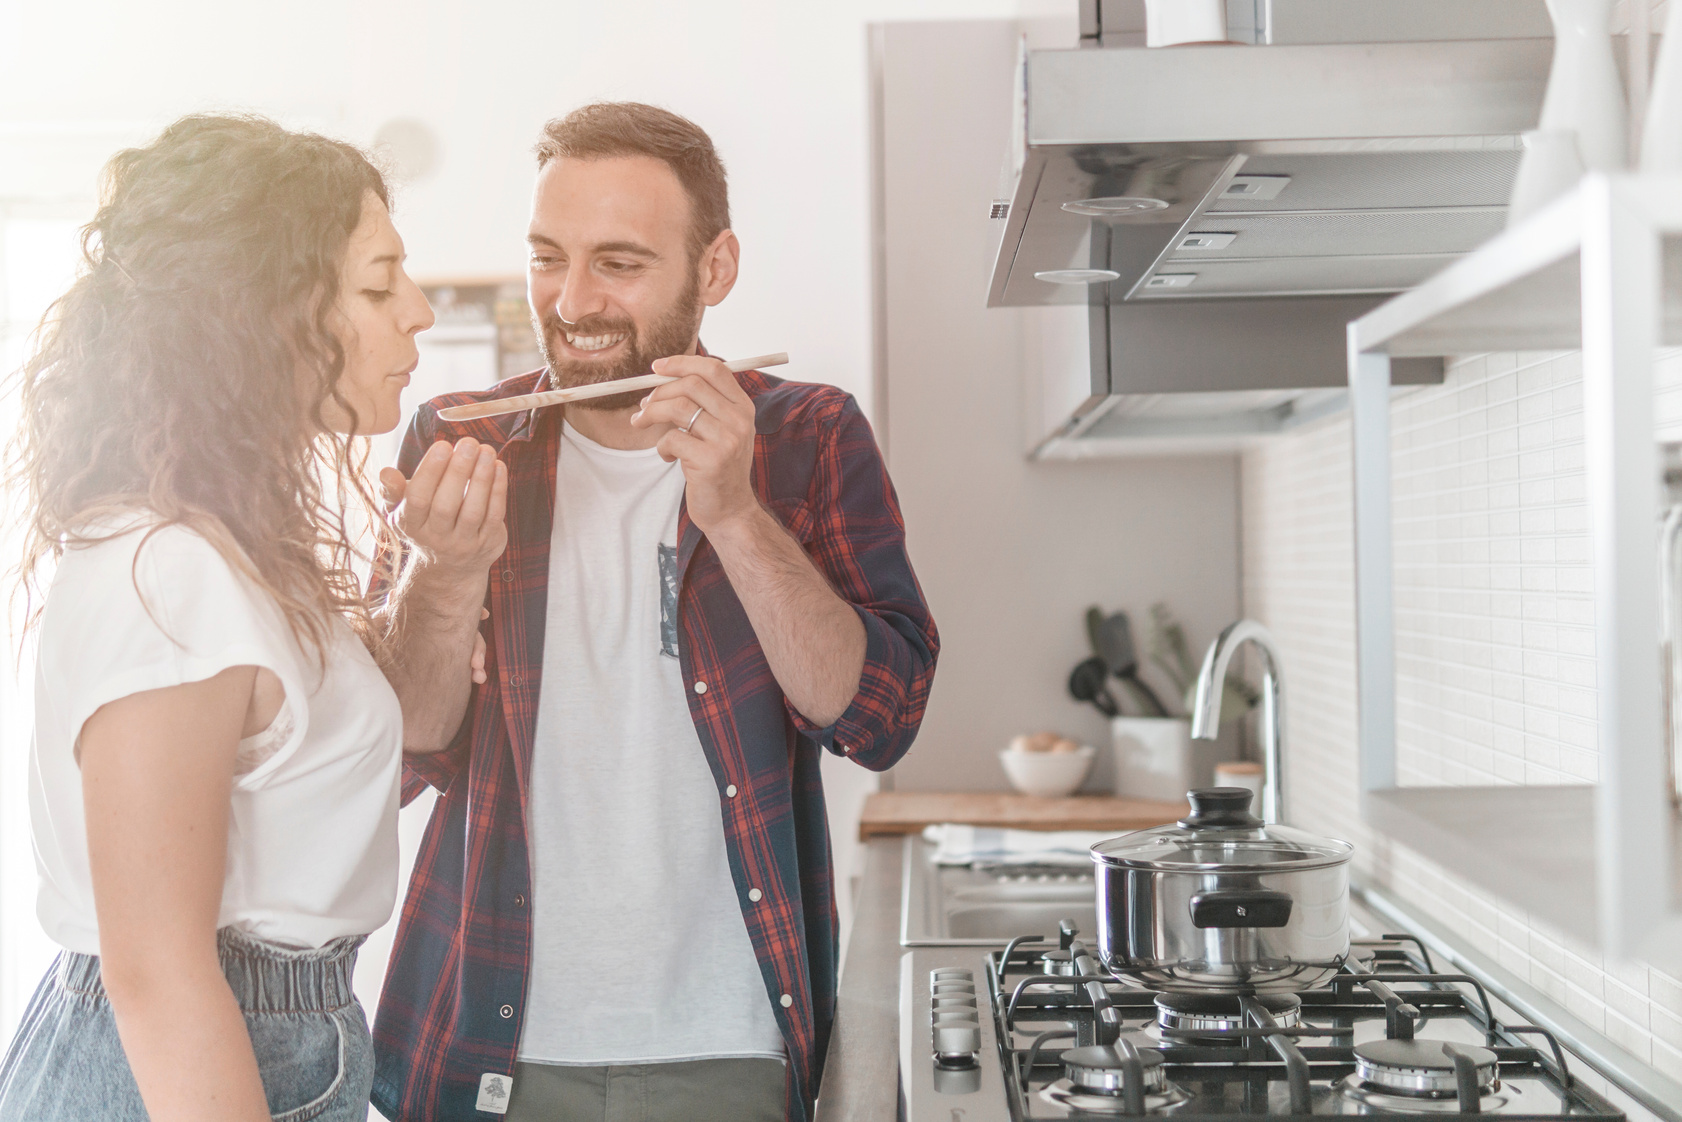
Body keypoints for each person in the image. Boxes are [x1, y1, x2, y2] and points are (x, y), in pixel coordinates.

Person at [371, 102, 939, 1122]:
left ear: (713, 269)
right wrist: (443, 575)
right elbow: (406, 748)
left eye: (619, 264)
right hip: (484, 1043)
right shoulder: (461, 439)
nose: (572, 300)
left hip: (726, 1041)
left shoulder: (809, 436)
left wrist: (731, 513)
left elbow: (876, 720)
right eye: (549, 257)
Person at [0, 114, 498, 1122]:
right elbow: (157, 972)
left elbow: (406, 732)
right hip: (191, 1049)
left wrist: (448, 574)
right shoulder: (171, 576)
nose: (415, 312)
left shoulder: (239, 549)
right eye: (374, 285)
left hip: (277, 1033)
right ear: (260, 315)